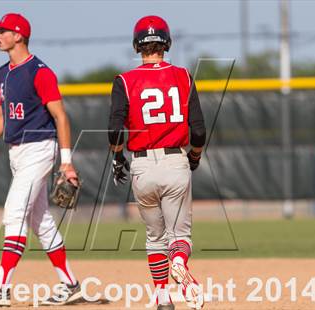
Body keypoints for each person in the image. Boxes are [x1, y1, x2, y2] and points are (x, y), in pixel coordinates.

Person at [0, 13, 82, 306]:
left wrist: (66, 161)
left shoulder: (40, 72)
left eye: (2, 31)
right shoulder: (2, 73)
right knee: (39, 219)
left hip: (40, 148)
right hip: (16, 152)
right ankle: (70, 284)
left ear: (18, 35)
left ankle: (0, 287)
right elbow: (0, 116)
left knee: (14, 211)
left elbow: (61, 116)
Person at [108, 16, 206, 310]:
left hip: (141, 166)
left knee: (154, 237)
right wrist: (195, 155)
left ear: (137, 45)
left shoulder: (124, 81)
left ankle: (162, 297)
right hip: (175, 160)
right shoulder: (183, 76)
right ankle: (179, 262)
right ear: (167, 43)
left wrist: (117, 157)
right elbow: (199, 130)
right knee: (180, 236)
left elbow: (114, 130)